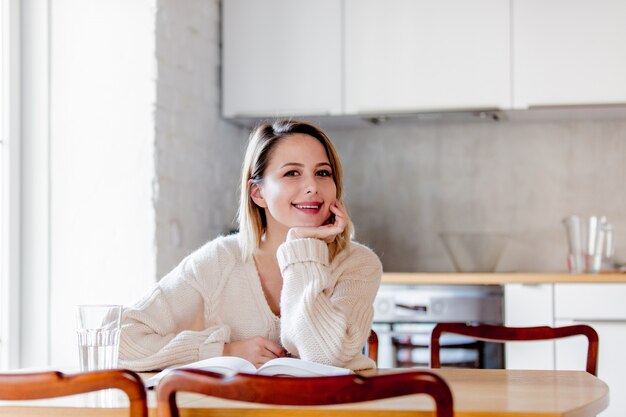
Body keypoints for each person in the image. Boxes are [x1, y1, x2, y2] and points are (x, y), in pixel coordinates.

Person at [118, 119, 382, 372]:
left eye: (323, 173)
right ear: (258, 193)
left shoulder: (357, 264)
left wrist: (304, 247)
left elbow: (325, 357)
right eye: (292, 173)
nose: (312, 186)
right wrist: (224, 352)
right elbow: (120, 340)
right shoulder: (220, 260)